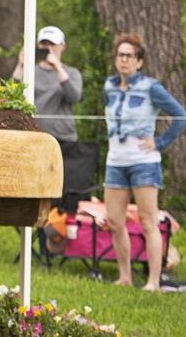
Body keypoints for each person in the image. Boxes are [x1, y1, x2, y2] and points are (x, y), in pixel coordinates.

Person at [102, 32, 186, 290]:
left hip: (144, 163)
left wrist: (158, 143)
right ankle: (125, 277)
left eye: (129, 56)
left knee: (148, 221)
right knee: (115, 222)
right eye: (120, 55)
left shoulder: (151, 87)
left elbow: (180, 116)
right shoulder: (109, 86)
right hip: (115, 162)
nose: (123, 60)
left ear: (139, 62)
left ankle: (152, 281)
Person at [11, 25, 83, 142]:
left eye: (52, 44)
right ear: (38, 46)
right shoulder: (30, 72)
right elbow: (12, 96)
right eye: (44, 44)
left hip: (63, 139)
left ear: (62, 46)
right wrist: (20, 65)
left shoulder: (72, 73)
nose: (48, 48)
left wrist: (58, 68)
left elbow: (74, 97)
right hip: (34, 137)